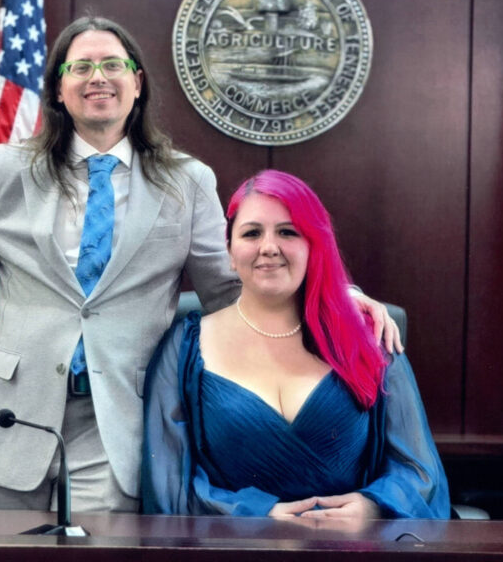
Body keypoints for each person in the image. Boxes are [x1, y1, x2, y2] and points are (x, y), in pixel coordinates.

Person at [0, 17, 400, 513]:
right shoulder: (8, 170)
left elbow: (232, 289)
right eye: (80, 66)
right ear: (59, 89)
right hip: (12, 421)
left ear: (137, 82)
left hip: (121, 423)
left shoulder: (186, 182)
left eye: (112, 64)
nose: (97, 77)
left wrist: (337, 296)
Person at [142, 170, 450, 523]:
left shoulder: (371, 337)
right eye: (252, 233)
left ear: (313, 245)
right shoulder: (182, 350)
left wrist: (373, 506)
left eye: (288, 232)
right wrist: (255, 517)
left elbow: (420, 473)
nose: (269, 247)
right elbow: (168, 486)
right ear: (228, 252)